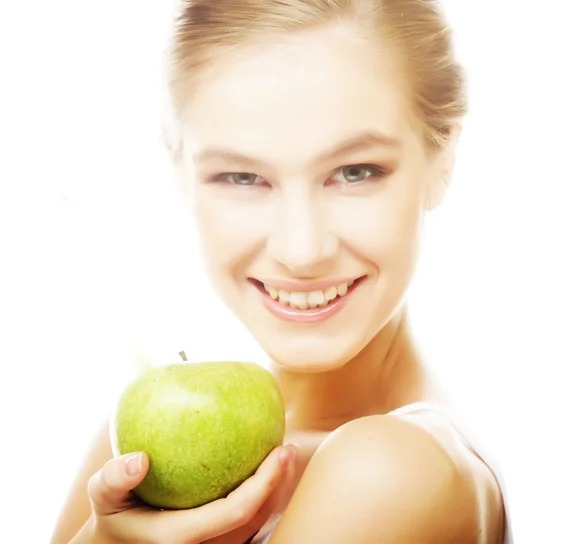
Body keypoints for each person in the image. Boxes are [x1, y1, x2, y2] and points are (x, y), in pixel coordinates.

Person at [51, 0, 513, 542]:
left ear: (444, 160)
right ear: (180, 171)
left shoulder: (392, 470)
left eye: (354, 171)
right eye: (242, 177)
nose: (302, 250)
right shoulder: (135, 447)